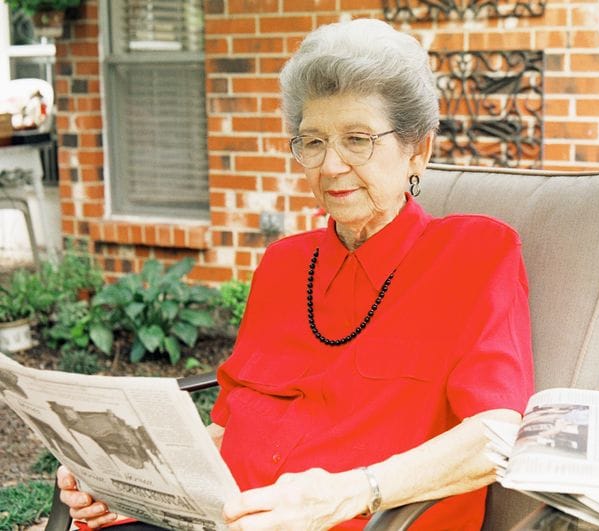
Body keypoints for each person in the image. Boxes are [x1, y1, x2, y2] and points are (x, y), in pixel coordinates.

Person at [57, 18, 534, 530]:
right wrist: (135, 485)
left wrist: (351, 493)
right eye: (312, 142)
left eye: (357, 139)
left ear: (418, 149)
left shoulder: (474, 254)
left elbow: (496, 433)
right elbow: (229, 428)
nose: (330, 166)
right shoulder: (284, 264)